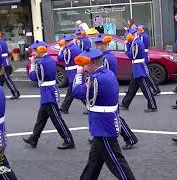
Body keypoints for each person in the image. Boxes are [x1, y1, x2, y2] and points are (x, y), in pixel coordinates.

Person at [72, 48, 135, 180]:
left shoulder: (96, 79)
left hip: (103, 127)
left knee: (118, 163)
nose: (83, 66)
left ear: (93, 62)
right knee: (94, 162)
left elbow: (77, 92)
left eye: (85, 63)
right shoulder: (107, 73)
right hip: (104, 124)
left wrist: (78, 75)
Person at [23, 40, 75, 150]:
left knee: (57, 119)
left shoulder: (41, 63)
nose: (33, 53)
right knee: (41, 119)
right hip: (48, 92)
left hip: (48, 94)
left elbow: (33, 77)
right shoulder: (48, 60)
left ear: (40, 50)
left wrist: (32, 64)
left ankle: (68, 140)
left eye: (34, 51)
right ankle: (34, 138)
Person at [95, 34, 138, 150]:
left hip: (108, 89)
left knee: (115, 116)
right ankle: (98, 137)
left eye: (99, 44)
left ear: (106, 45)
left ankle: (130, 137)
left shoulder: (107, 58)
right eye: (96, 44)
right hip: (108, 88)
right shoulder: (105, 56)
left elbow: (106, 75)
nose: (97, 46)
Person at [120, 27, 158, 113]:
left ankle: (152, 106)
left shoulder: (137, 43)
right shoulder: (134, 42)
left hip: (139, 68)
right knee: (132, 88)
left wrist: (126, 48)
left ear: (133, 35)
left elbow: (132, 55)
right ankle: (125, 103)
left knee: (145, 89)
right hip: (136, 67)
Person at [57, 34, 86, 114]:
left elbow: (59, 59)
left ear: (67, 42)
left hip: (73, 72)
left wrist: (61, 50)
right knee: (73, 91)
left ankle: (64, 108)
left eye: (65, 42)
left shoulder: (69, 49)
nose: (64, 43)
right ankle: (64, 108)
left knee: (74, 91)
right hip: (74, 71)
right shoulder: (74, 47)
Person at [0, 30, 20, 99]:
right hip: (6, 61)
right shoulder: (2, 42)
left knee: (6, 79)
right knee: (0, 80)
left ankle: (15, 92)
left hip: (3, 63)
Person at [137, 24, 161, 96]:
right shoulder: (145, 35)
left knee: (146, 75)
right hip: (144, 55)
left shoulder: (142, 36)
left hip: (142, 56)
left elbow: (141, 47)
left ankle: (156, 88)